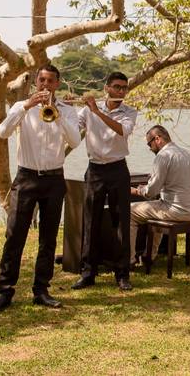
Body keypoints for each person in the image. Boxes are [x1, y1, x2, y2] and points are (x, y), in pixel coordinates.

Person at [0, 65, 81, 313]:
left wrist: (58, 116)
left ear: (57, 84)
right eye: (41, 80)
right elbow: (2, 131)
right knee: (14, 235)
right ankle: (4, 292)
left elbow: (75, 141)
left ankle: (41, 290)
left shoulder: (68, 111)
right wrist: (26, 106)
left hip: (53, 180)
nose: (45, 85)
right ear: (35, 82)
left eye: (50, 81)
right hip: (26, 178)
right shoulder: (21, 108)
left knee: (48, 239)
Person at [71, 72, 138, 291]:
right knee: (91, 222)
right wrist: (58, 105)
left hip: (118, 169)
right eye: (117, 87)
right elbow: (72, 127)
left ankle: (122, 274)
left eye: (124, 88)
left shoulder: (129, 111)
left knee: (121, 223)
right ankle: (88, 272)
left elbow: (121, 130)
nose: (121, 91)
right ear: (106, 88)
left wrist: (96, 111)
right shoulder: (89, 109)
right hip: (95, 170)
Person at [129, 125, 190, 264]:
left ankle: (129, 260)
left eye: (149, 144)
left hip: (178, 211)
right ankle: (149, 256)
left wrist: (135, 190)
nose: (149, 148)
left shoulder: (163, 156)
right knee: (157, 207)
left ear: (157, 139)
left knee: (130, 211)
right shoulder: (188, 154)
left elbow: (151, 192)